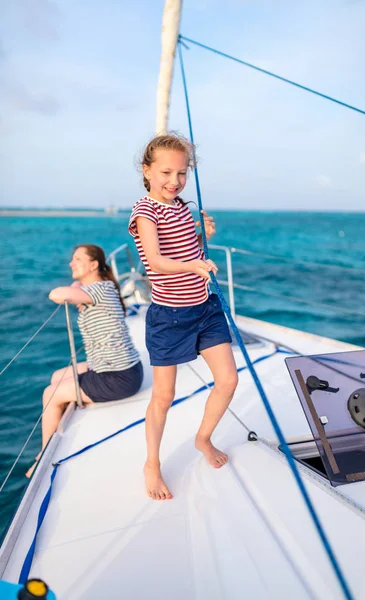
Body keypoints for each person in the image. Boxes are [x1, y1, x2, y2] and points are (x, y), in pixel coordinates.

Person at [129, 133, 238, 501]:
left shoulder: (180, 206)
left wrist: (202, 234)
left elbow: (185, 244)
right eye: (165, 172)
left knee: (228, 380)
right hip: (170, 317)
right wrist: (194, 264)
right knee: (163, 396)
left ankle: (202, 438)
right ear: (146, 171)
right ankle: (152, 464)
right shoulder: (145, 212)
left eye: (181, 173)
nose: (174, 181)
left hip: (205, 309)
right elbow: (155, 260)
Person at [26, 244, 143, 478]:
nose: (72, 263)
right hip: (117, 368)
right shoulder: (103, 288)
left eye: (78, 258)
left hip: (118, 378)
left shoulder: (98, 290)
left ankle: (44, 456)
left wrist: (73, 290)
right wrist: (78, 287)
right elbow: (72, 291)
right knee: (57, 377)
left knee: (51, 393)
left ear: (94, 265)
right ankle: (67, 417)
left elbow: (56, 295)